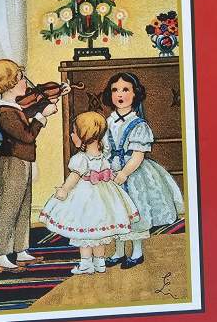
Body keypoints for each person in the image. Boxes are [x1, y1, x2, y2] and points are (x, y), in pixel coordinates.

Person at [39, 111, 141, 275]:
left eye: (74, 132)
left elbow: (74, 177)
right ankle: (99, 263)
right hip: (104, 196)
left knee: (86, 232)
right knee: (98, 232)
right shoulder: (102, 156)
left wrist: (64, 189)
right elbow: (107, 172)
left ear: (83, 136)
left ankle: (86, 263)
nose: (72, 135)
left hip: (85, 197)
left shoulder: (81, 158)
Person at [0, 59, 57, 274]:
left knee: (23, 207)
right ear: (10, 85)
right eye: (21, 78)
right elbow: (27, 136)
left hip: (23, 161)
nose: (26, 82)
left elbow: (32, 110)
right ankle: (2, 256)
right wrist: (41, 117)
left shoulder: (17, 106)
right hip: (12, 162)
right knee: (8, 209)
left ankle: (21, 250)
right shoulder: (6, 112)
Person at [102, 72, 183, 268]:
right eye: (115, 90)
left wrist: (124, 173)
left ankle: (137, 251)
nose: (120, 94)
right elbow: (105, 149)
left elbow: (138, 155)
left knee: (135, 211)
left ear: (135, 94)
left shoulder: (139, 125)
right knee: (117, 212)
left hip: (133, 173)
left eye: (125, 90)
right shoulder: (108, 122)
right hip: (111, 171)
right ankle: (119, 251)